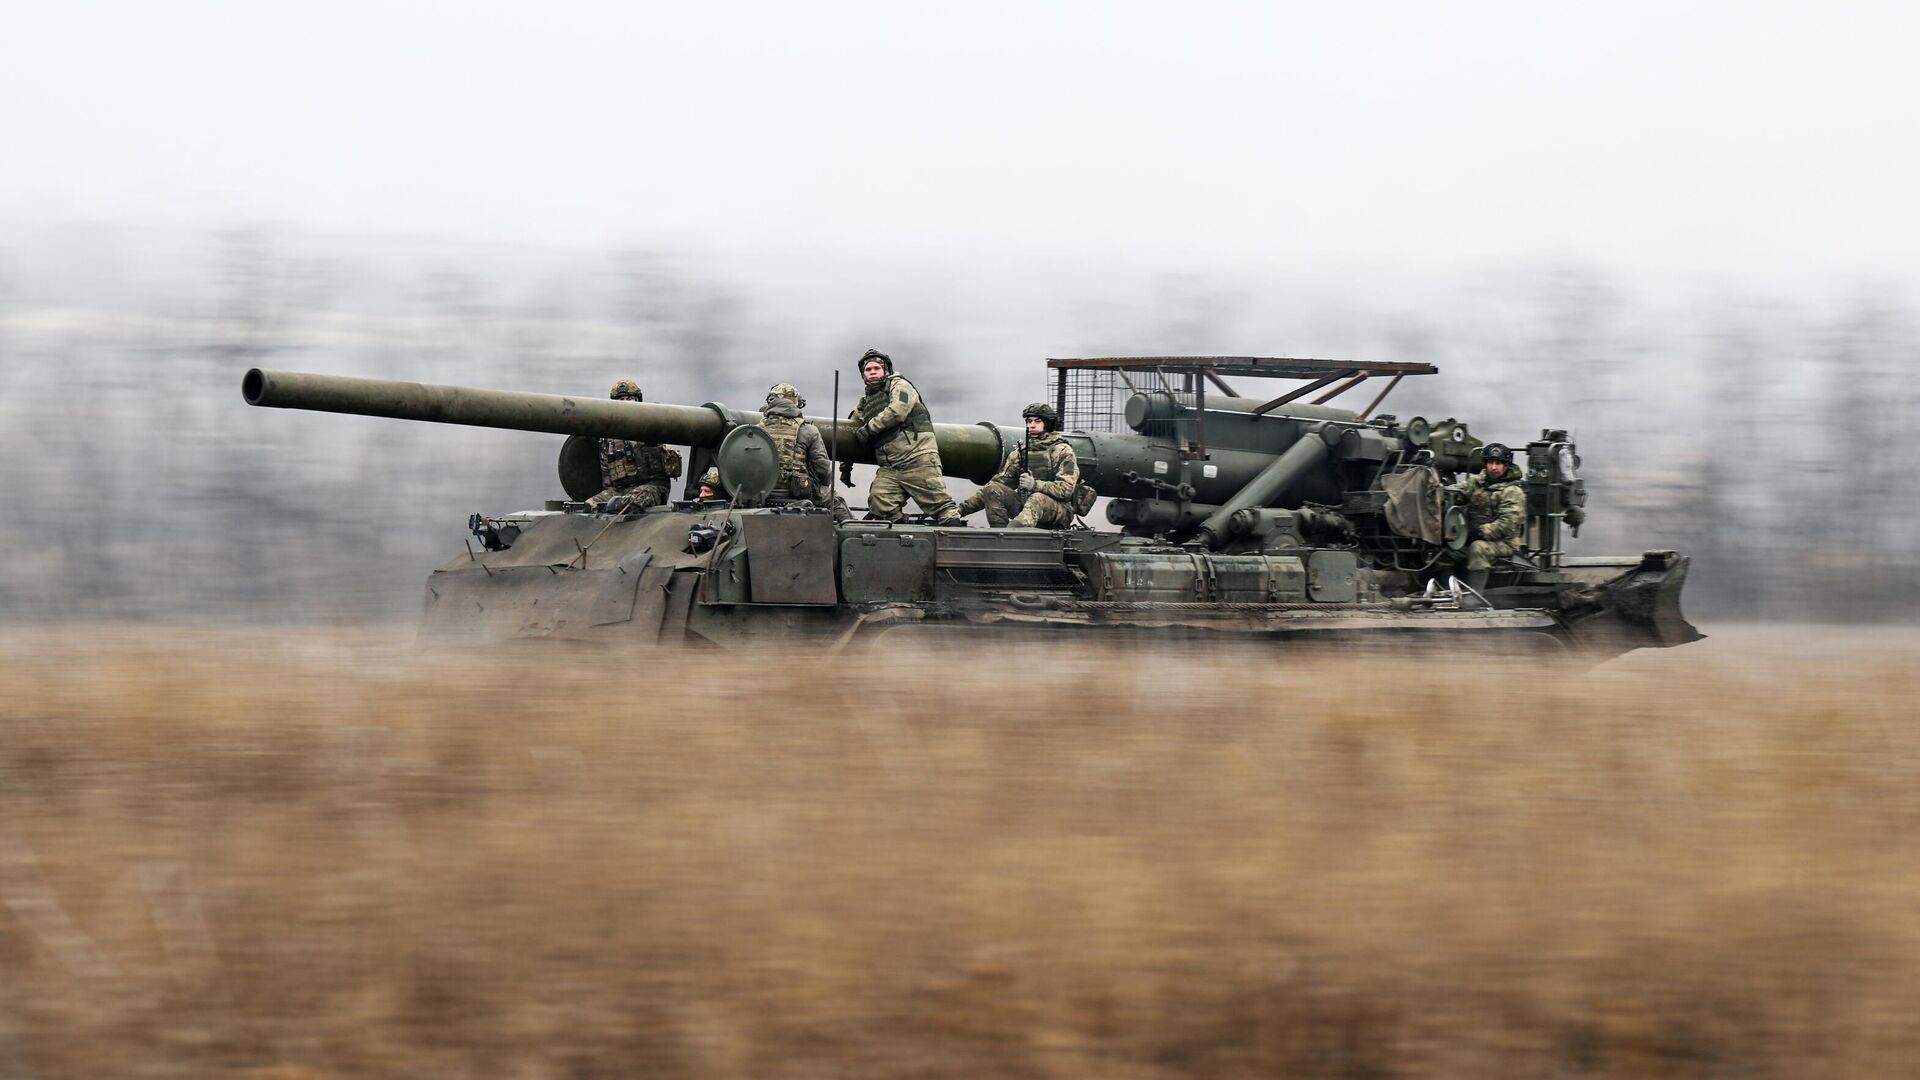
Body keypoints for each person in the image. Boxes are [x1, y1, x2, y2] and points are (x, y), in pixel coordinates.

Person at [838, 348, 961, 524]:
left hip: (916, 459)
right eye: (868, 369)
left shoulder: (900, 386)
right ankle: (905, 532)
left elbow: (898, 410)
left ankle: (953, 536)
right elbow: (851, 433)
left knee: (942, 507)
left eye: (876, 368)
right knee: (880, 506)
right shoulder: (865, 403)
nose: (872, 372)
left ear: (886, 370)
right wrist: (846, 468)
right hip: (890, 467)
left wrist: (870, 428)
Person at [957, 402, 1080, 528]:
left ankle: (1013, 533)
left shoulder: (1062, 451)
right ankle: (999, 533)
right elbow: (998, 484)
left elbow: (1066, 490)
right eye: (1029, 421)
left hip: (1058, 511)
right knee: (993, 489)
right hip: (1026, 506)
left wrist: (1034, 485)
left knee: (1037, 498)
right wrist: (960, 510)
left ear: (1048, 424)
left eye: (1037, 421)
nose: (1031, 425)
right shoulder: (1021, 453)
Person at [587, 379, 682, 513]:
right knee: (591, 505)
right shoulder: (608, 438)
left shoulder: (649, 425)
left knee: (630, 503)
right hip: (619, 490)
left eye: (629, 398)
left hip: (651, 487)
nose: (625, 403)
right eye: (621, 399)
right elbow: (607, 477)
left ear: (638, 400)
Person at [1455, 442, 1527, 591]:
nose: (1493, 467)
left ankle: (1474, 597)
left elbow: (1506, 524)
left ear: (1506, 466)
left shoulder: (1512, 491)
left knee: (1478, 548)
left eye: (1498, 463)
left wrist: (1478, 534)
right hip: (1473, 536)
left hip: (1505, 543)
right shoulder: (1477, 482)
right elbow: (1457, 493)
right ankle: (1449, 590)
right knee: (1447, 550)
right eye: (1490, 463)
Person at [756, 383, 834, 504]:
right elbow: (822, 468)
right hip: (798, 494)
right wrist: (824, 485)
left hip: (762, 494)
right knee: (837, 502)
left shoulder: (757, 430)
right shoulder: (808, 431)